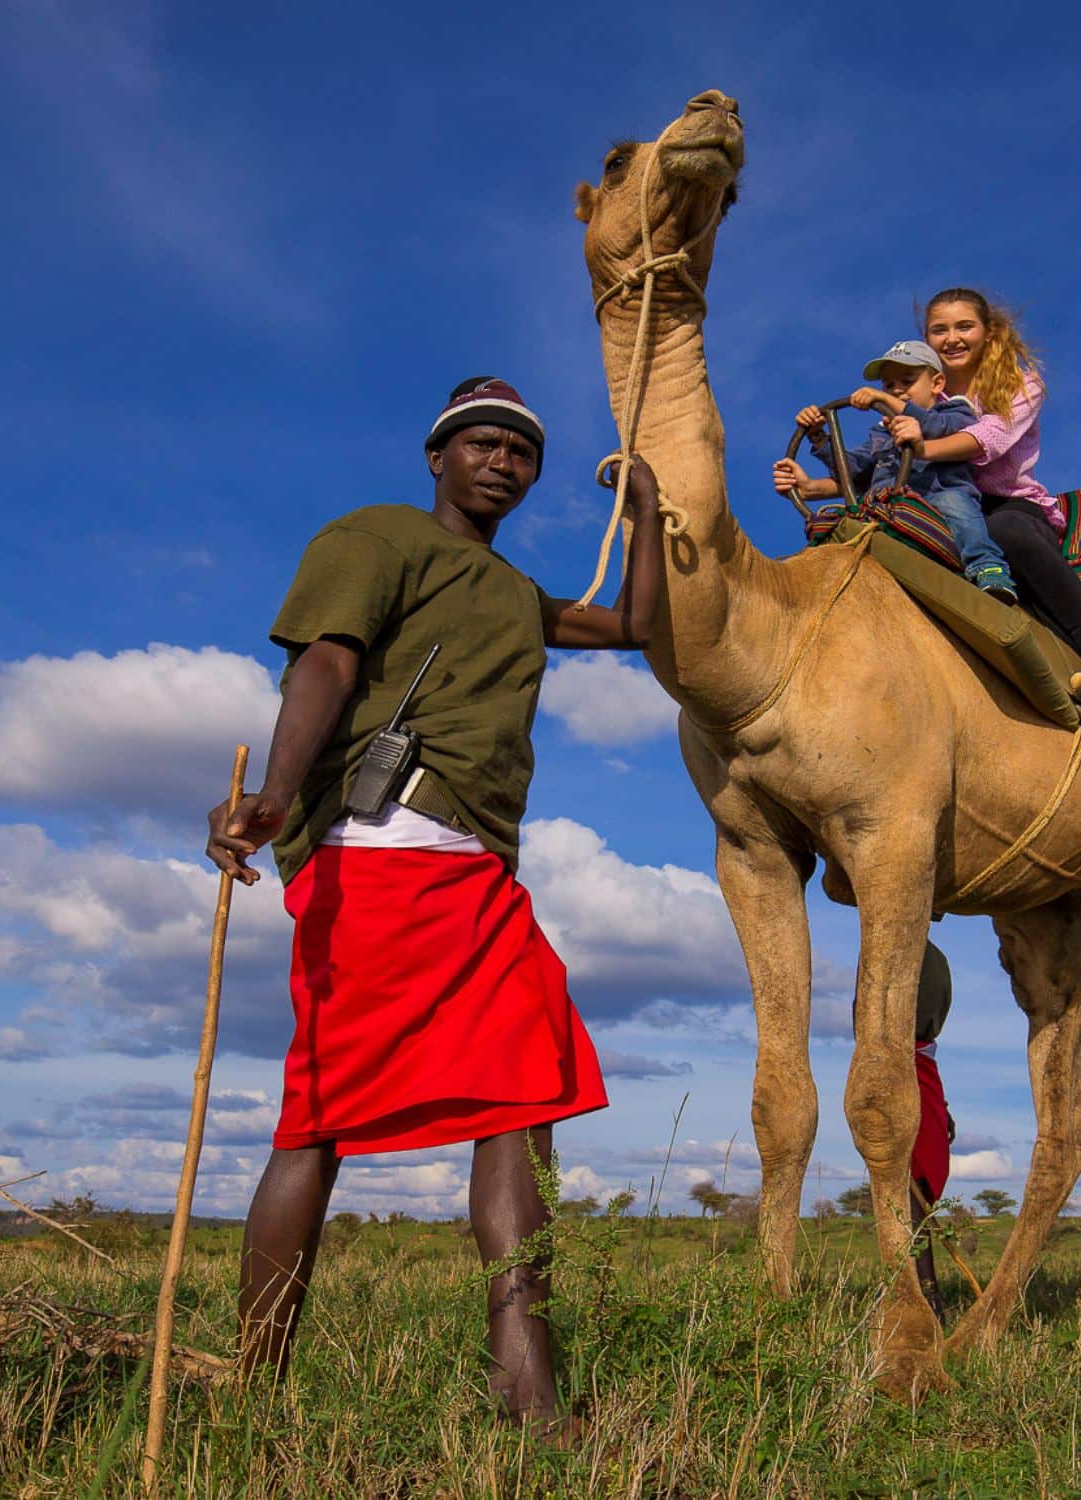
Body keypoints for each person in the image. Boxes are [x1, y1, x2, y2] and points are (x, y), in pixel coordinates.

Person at [204, 376, 666, 1433]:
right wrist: (275, 797)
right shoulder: (375, 536)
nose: (502, 461)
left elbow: (636, 621)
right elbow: (326, 659)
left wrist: (641, 511)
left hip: (480, 868)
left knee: (524, 1091)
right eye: (482, 444)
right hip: (380, 847)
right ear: (437, 456)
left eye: (520, 451)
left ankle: (529, 1396)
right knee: (320, 1114)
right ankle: (255, 1394)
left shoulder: (513, 593)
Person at [914, 286, 1081, 707]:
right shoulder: (920, 393)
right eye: (939, 330)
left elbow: (989, 440)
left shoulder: (1020, 383)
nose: (952, 338)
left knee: (1005, 530)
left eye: (964, 326)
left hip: (1007, 505)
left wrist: (920, 448)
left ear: (988, 330)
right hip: (943, 503)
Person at [772, 339, 1019, 605]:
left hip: (938, 495)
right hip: (884, 506)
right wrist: (819, 436)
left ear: (936, 384)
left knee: (959, 508)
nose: (897, 390)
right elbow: (851, 468)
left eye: (907, 381)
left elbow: (941, 427)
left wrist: (887, 401)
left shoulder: (954, 410)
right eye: (889, 385)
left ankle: (986, 566)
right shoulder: (881, 431)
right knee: (835, 526)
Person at [908, 942, 958, 1317]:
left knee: (919, 1192)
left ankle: (927, 1297)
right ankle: (927, 1296)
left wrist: (941, 1107)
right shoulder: (933, 960)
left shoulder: (929, 960)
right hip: (909, 1072)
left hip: (918, 1072)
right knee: (915, 1191)